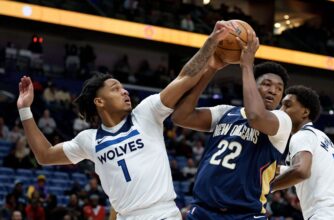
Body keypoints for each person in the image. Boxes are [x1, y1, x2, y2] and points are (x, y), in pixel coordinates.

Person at [16, 21, 233, 220]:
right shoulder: (88, 140)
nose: (124, 91)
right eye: (115, 88)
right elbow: (44, 155)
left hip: (164, 214)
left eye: (122, 87)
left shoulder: (147, 113)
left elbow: (184, 78)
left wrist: (210, 44)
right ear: (99, 101)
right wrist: (25, 109)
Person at [171, 27, 292, 219]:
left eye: (279, 88)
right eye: (267, 84)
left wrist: (246, 65)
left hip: (245, 214)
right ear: (253, 83)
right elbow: (181, 116)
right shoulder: (226, 112)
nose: (274, 91)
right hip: (203, 211)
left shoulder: (282, 121)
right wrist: (212, 69)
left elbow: (255, 117)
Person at [271, 85, 334, 220]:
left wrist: (268, 188)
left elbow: (301, 171)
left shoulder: (301, 136)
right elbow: (310, 170)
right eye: (281, 106)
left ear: (305, 112)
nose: (281, 110)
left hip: (326, 214)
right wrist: (278, 169)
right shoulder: (320, 136)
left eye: (287, 106)